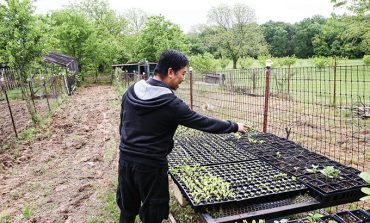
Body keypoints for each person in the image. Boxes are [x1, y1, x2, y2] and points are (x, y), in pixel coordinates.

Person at [117, 49, 246, 223]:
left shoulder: (131, 91)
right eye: (182, 74)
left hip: (125, 160)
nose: (183, 79)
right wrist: (234, 126)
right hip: (151, 166)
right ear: (170, 72)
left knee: (127, 209)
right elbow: (203, 122)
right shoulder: (171, 104)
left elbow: (122, 123)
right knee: (152, 214)